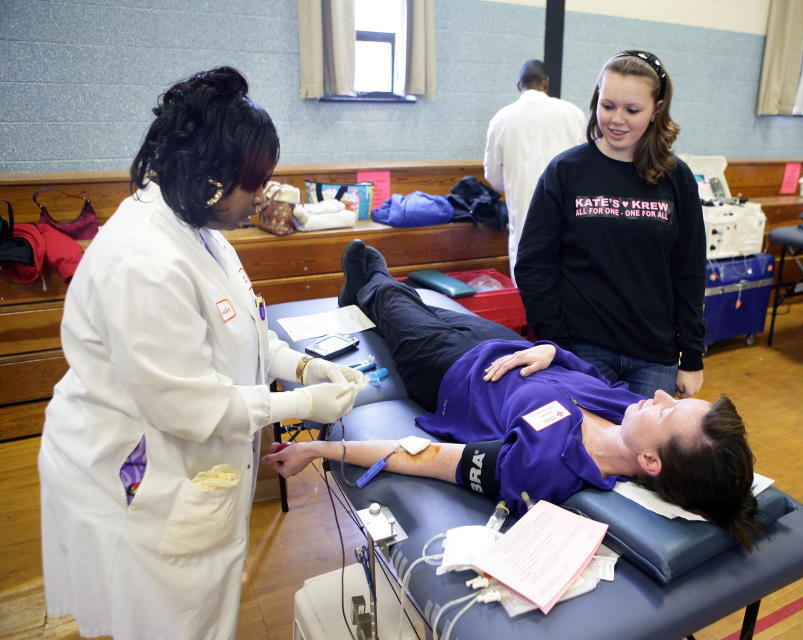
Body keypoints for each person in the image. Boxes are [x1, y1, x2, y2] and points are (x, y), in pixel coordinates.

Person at [37, 67, 365, 640]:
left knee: (202, 605)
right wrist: (305, 401)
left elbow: (242, 327)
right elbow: (187, 407)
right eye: (255, 183)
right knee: (167, 620)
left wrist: (303, 365)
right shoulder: (143, 260)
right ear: (212, 176)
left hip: (189, 465)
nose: (263, 196)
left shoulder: (199, 227)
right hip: (137, 477)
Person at [265, 240, 760, 549]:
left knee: (386, 290)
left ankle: (364, 282)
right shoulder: (625, 410)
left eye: (668, 412)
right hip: (501, 344)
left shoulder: (547, 468)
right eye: (675, 398)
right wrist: (550, 351)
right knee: (416, 299)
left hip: (444, 370)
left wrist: (319, 448)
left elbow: (428, 456)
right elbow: (583, 372)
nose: (659, 395)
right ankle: (373, 285)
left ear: (651, 462)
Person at [514, 50, 707, 399]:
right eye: (608, 105)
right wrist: (556, 344)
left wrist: (692, 357)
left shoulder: (676, 178)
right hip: (583, 349)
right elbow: (533, 264)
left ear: (657, 111)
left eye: (632, 110)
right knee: (587, 450)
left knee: (641, 453)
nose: (617, 119)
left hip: (654, 354)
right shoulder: (566, 171)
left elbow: (690, 271)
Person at [483, 59, 587, 280]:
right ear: (546, 83)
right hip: (569, 215)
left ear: (518, 85)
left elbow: (493, 176)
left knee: (529, 287)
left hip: (524, 217)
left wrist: (514, 182)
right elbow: (587, 166)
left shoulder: (502, 119)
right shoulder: (573, 114)